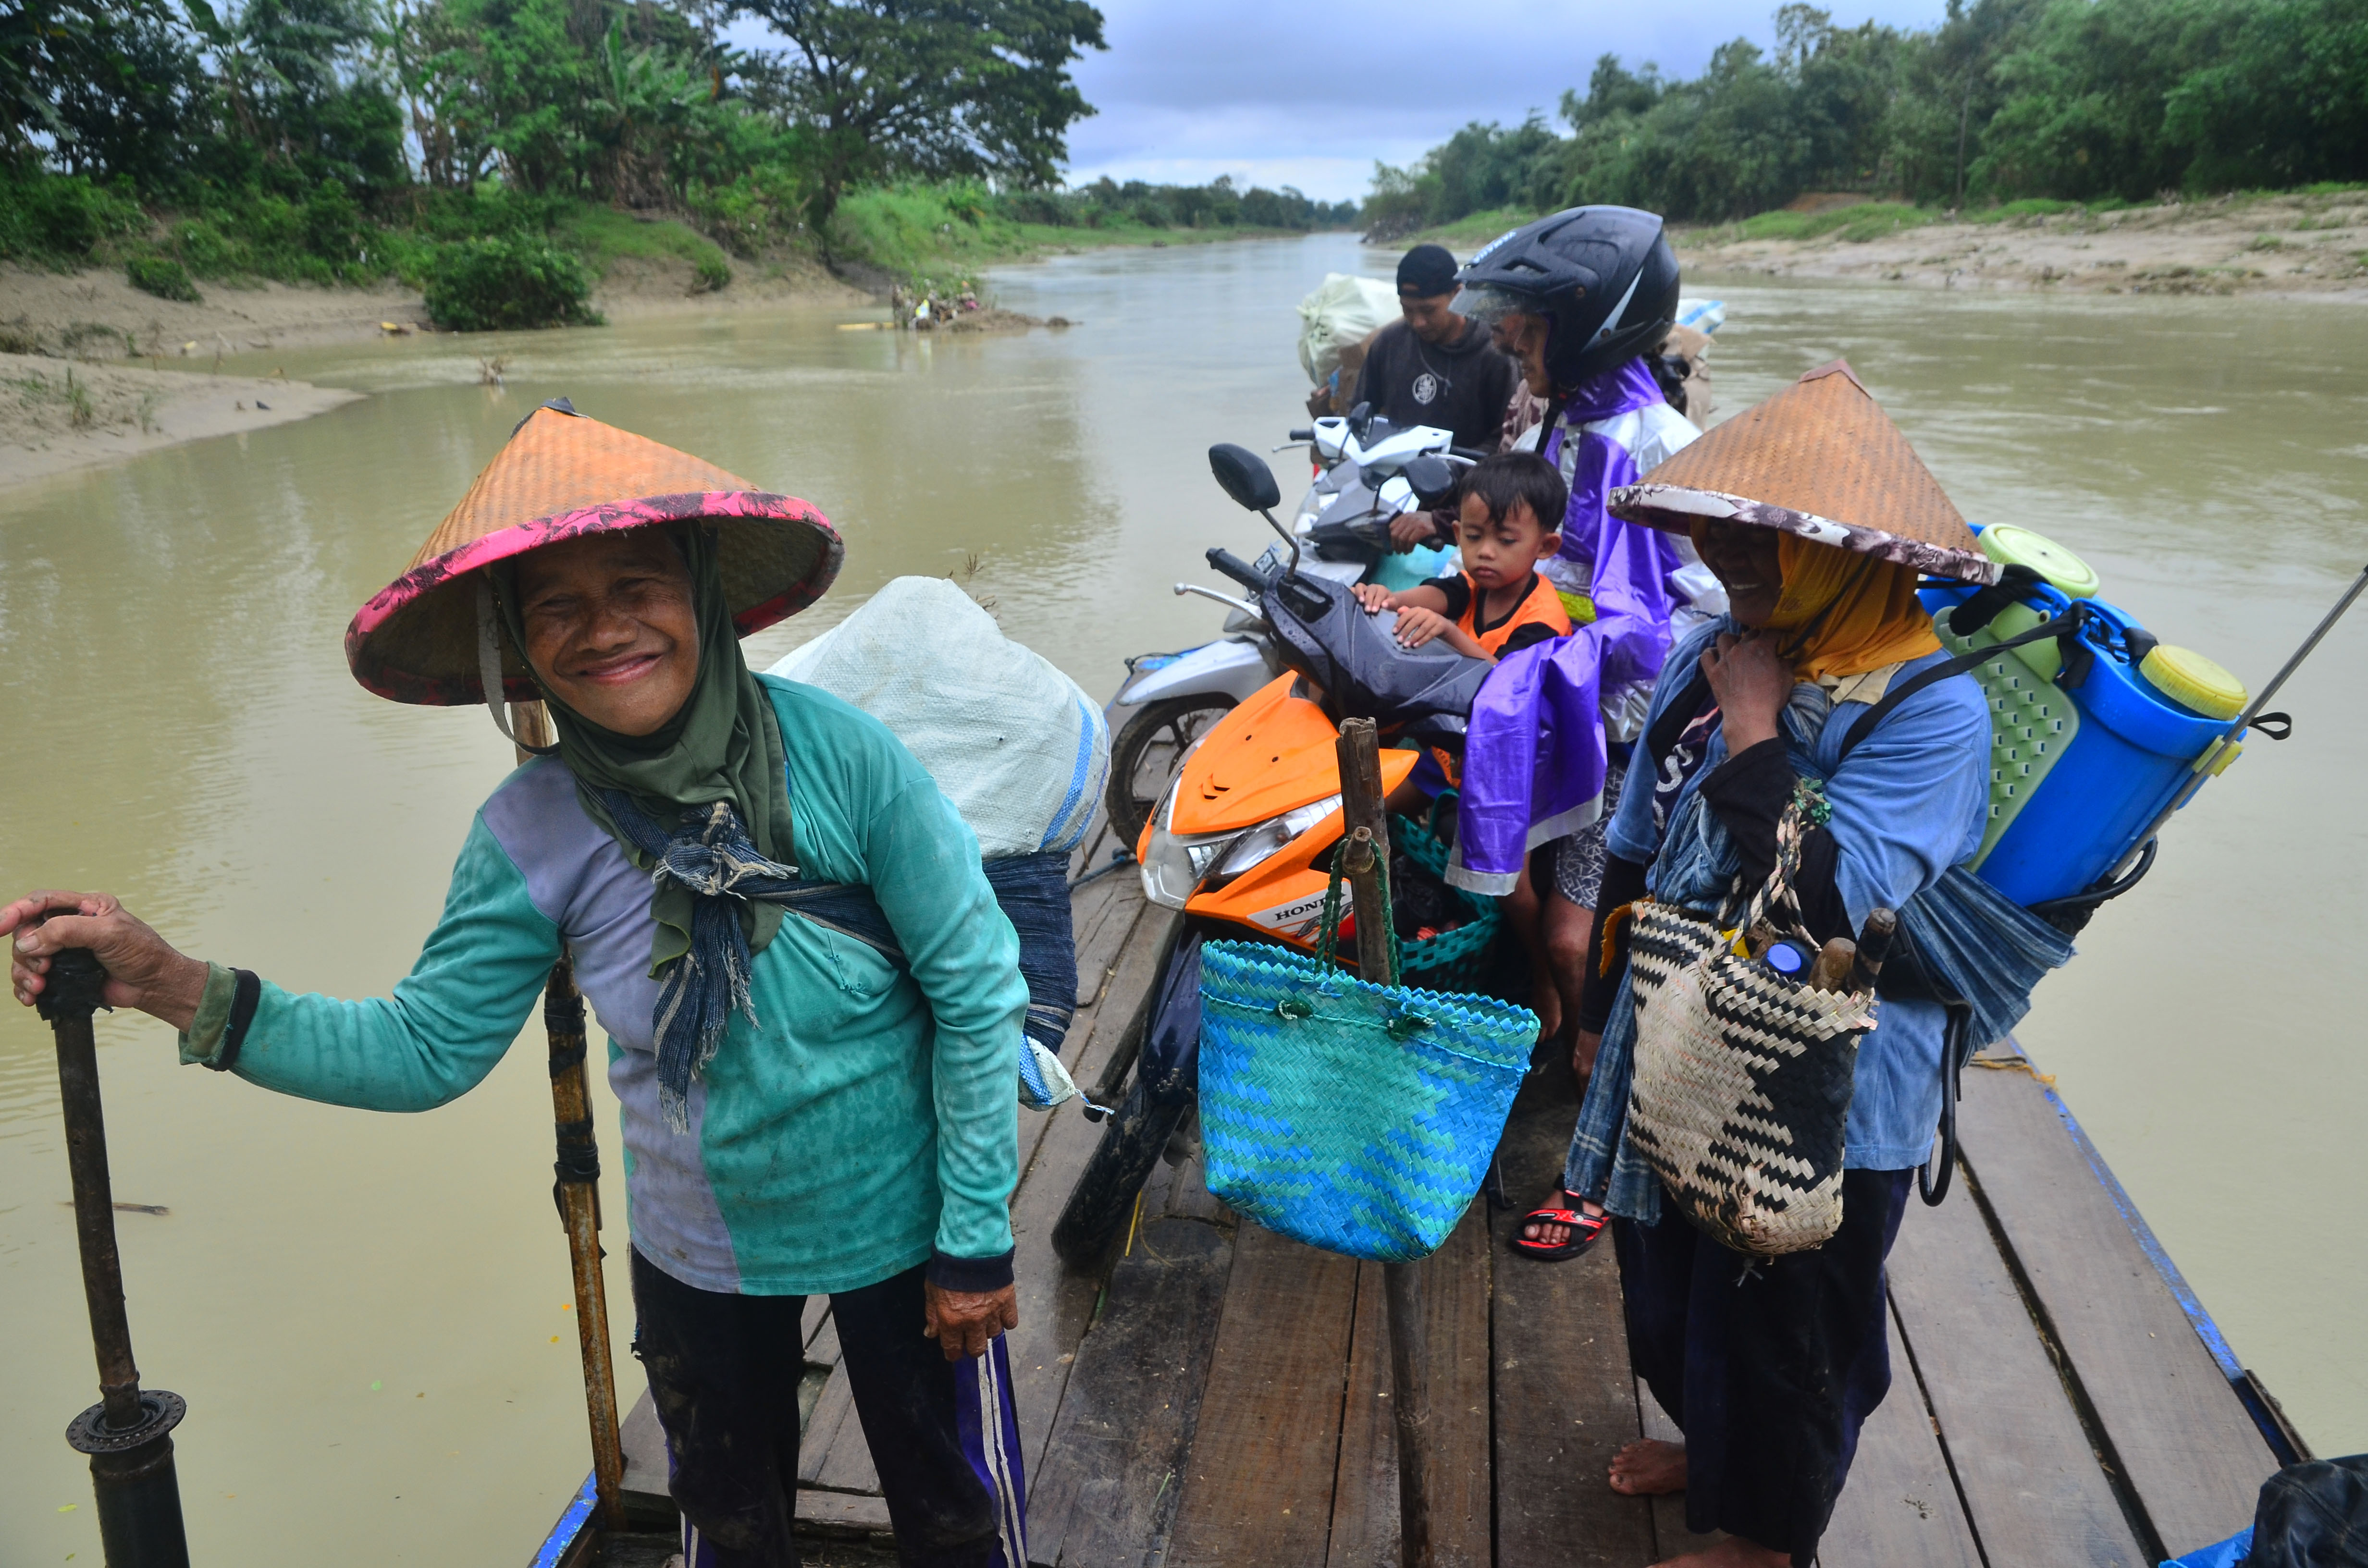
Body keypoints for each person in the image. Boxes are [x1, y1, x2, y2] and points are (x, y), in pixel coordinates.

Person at [6, 404, 1031, 1568]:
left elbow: (975, 988)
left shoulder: (845, 757)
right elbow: (421, 1052)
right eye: (558, 607)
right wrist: (173, 984)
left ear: (698, 592)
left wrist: (975, 1240)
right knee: (732, 1532)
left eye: (638, 585)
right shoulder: (531, 829)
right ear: (520, 644)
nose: (605, 630)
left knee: (952, 1514)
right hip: (701, 1249)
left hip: (905, 1223)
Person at [1556, 362, 1997, 1567]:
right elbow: (1637, 832)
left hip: (1839, 1084)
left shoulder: (1929, 706)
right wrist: (1601, 1013)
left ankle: (1769, 1535)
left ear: (1851, 554)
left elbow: (1836, 911)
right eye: (1721, 529)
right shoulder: (1725, 643)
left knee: (1792, 1326)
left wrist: (1757, 727)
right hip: (1685, 1024)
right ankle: (1717, 1449)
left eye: (1769, 537)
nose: (1731, 552)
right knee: (1674, 1279)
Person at [1440, 207, 1704, 1122]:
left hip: (1636, 728)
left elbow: (1666, 616)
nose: (1511, 337)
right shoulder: (1568, 423)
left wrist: (1542, 655)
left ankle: (1604, 1073)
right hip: (1570, 698)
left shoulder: (1645, 443)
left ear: (1594, 325)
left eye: (1530, 324)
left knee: (1574, 918)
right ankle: (1558, 1014)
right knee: (1522, 876)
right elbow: (1552, 554)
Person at [1352, 242, 1521, 457]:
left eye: (1428, 310)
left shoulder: (1495, 353)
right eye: (1407, 310)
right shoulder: (1388, 344)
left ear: (1458, 294)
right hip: (1396, 476)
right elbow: (1361, 413)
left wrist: (1450, 469)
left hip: (1468, 479)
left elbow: (1507, 437)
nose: (1418, 322)